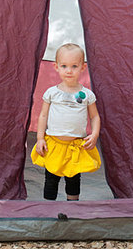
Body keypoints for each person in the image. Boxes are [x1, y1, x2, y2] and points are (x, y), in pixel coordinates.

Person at [31, 43, 101, 201]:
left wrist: (95, 134)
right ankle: (49, 211)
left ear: (82, 68)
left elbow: (95, 117)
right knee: (51, 179)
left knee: (73, 180)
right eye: (64, 66)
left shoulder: (87, 95)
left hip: (75, 147)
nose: (69, 70)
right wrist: (40, 138)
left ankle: (72, 209)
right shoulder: (52, 93)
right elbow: (42, 116)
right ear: (56, 67)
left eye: (74, 66)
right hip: (54, 145)